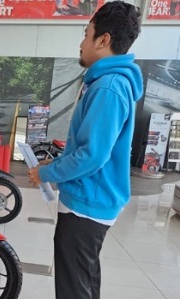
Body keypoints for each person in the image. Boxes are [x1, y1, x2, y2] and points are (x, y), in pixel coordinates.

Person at [28, 1, 143, 298]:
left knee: (73, 288)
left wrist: (46, 172)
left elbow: (93, 155)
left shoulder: (108, 87)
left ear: (103, 39)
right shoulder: (106, 83)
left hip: (86, 205)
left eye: (86, 33)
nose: (81, 43)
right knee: (84, 281)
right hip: (89, 200)